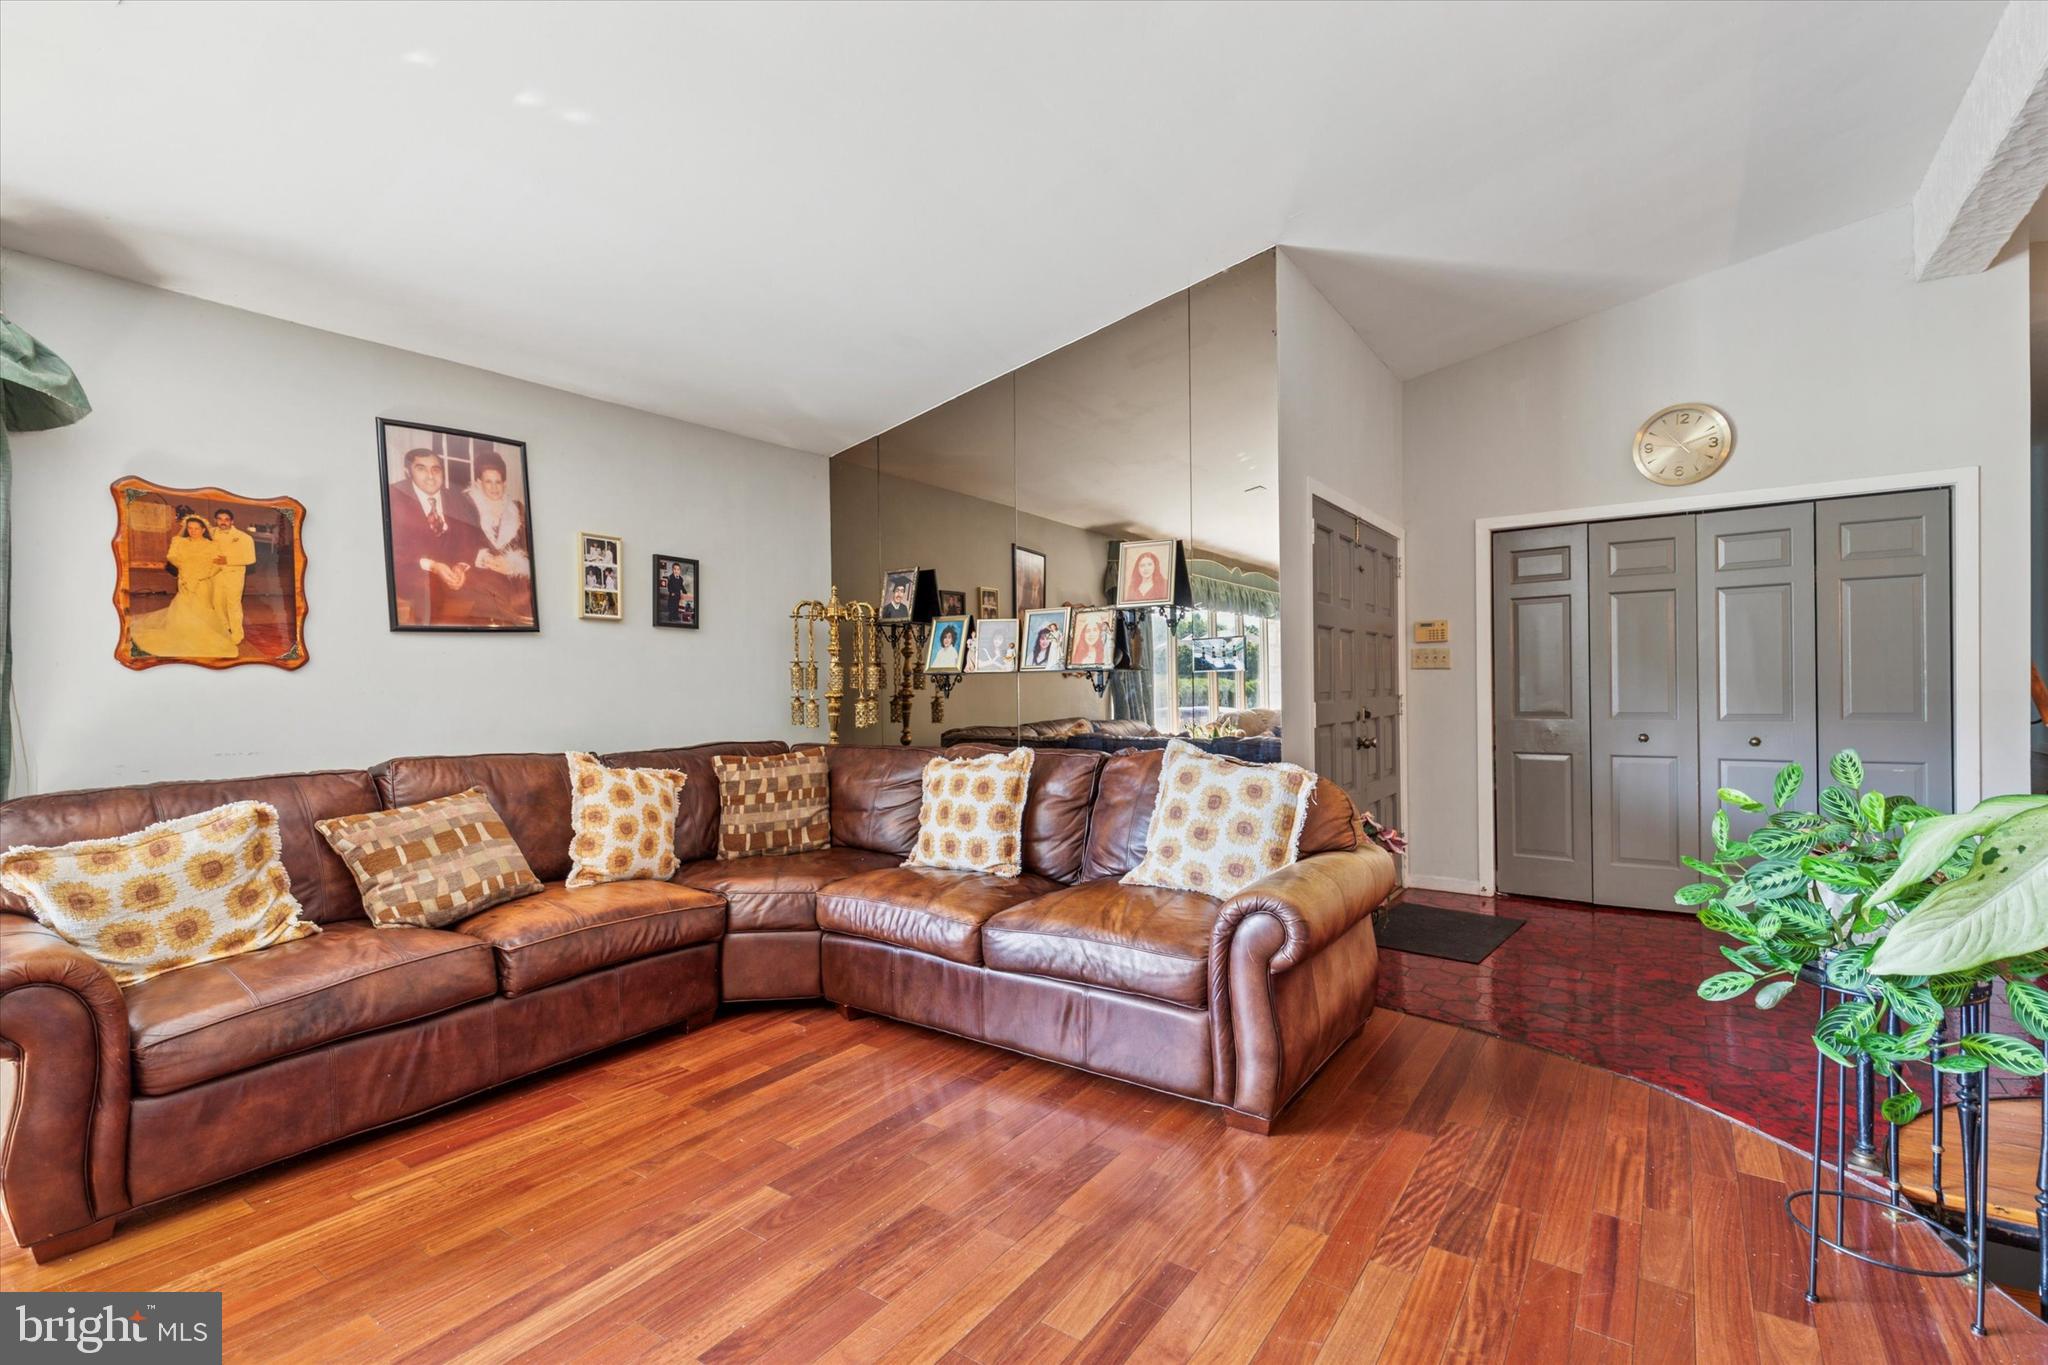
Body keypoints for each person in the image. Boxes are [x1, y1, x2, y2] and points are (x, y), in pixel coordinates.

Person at [130, 515, 236, 658]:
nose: (193, 531)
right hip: (184, 580)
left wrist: (201, 575)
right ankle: (183, 635)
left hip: (203, 581)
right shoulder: (180, 542)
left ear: (203, 529)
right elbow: (171, 557)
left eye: (196, 529)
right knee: (184, 607)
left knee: (202, 607)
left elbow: (218, 564)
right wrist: (185, 573)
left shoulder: (212, 544)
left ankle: (200, 636)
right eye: (190, 528)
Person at [463, 451, 531, 581]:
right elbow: (462, 545)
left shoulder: (518, 509)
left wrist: (514, 565)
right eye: (488, 482)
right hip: (479, 576)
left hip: (511, 577)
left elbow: (528, 549)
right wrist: (485, 559)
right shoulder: (468, 506)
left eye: (498, 482)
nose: (494, 488)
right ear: (479, 482)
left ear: (504, 483)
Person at [207, 508, 256, 646]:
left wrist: (228, 560)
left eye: (226, 519)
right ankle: (223, 630)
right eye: (220, 519)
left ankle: (237, 634)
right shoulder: (209, 534)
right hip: (214, 575)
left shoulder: (244, 537)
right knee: (217, 604)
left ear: (232, 521)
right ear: (215, 520)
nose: (223, 522)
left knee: (233, 605)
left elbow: (250, 558)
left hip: (234, 575)